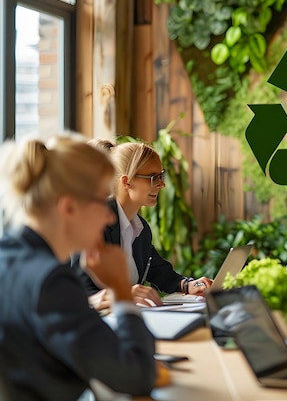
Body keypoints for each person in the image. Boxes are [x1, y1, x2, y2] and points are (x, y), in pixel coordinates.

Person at [0, 134, 156, 399]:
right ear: (69, 207)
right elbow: (138, 376)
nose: (109, 215)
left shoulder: (8, 256)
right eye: (100, 200)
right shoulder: (51, 282)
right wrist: (120, 288)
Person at [71, 140, 211, 311]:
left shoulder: (141, 228)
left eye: (161, 175)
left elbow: (160, 272)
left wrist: (187, 284)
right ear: (126, 182)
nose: (162, 184)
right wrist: (123, 293)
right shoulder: (94, 223)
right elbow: (78, 293)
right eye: (154, 178)